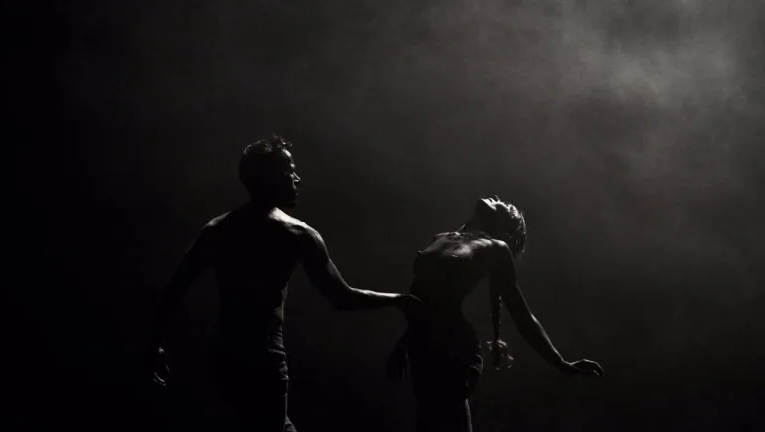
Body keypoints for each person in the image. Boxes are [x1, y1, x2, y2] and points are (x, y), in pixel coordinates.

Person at [146, 134, 421, 431]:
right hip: (263, 356)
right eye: (290, 171)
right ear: (273, 178)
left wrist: (154, 346)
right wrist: (397, 300)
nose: (297, 179)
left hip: (223, 353)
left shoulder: (218, 229)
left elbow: (175, 289)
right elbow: (341, 297)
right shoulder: (297, 234)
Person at [386, 196, 603, 432]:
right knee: (434, 421)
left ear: (503, 225)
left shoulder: (497, 249)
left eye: (504, 204)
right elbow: (424, 299)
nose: (496, 198)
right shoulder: (442, 237)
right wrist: (406, 341)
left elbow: (522, 315)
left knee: (438, 416)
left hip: (454, 350)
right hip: (424, 347)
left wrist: (561, 363)